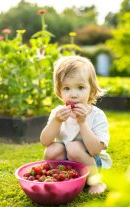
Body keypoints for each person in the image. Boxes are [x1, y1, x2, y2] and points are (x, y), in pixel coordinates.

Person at [40, 55, 112, 194]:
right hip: (66, 163)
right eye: (67, 88)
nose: (73, 94)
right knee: (52, 149)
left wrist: (83, 123)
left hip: (91, 162)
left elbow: (95, 151)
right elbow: (44, 141)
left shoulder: (96, 115)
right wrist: (57, 121)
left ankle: (96, 181)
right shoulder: (58, 113)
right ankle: (61, 178)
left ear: (91, 90)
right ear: (59, 91)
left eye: (80, 87)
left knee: (74, 147)